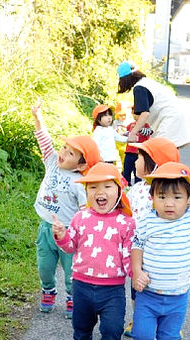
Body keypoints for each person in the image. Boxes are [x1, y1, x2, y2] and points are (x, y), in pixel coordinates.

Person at [131, 162, 190, 340]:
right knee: (142, 334)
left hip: (178, 296)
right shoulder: (147, 220)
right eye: (162, 196)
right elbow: (137, 244)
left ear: (189, 199)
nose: (169, 203)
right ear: (152, 198)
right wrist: (137, 271)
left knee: (170, 336)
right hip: (148, 294)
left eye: (177, 197)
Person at [31, 99, 101, 319]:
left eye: (71, 154)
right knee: (44, 265)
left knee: (71, 271)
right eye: (64, 148)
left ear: (81, 165)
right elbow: (44, 141)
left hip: (70, 232)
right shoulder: (52, 161)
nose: (62, 153)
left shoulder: (80, 182)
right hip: (46, 228)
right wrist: (37, 117)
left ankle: (73, 296)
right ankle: (48, 289)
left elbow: (85, 210)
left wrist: (86, 232)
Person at [52, 162, 135, 340]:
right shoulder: (80, 218)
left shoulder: (126, 223)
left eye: (107, 186)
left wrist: (137, 275)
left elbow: (129, 255)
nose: (100, 191)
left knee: (112, 330)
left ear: (119, 190)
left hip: (112, 290)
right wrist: (61, 235)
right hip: (81, 286)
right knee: (81, 330)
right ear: (86, 191)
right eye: (93, 187)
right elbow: (69, 247)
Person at [123, 137, 180, 337]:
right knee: (137, 289)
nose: (135, 161)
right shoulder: (137, 189)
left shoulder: (167, 195)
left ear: (153, 164)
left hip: (159, 254)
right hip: (140, 252)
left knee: (156, 289)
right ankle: (139, 319)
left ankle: (169, 322)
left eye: (139, 157)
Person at [117, 61, 190, 148]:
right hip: (176, 117)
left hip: (170, 119)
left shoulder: (139, 88)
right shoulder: (147, 82)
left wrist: (133, 133)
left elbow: (145, 113)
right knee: (166, 153)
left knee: (159, 152)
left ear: (124, 79)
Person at [123, 107, 153, 186]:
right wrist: (122, 132)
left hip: (139, 153)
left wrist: (138, 129)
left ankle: (138, 186)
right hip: (129, 152)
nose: (136, 116)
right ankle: (126, 186)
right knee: (126, 171)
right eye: (134, 114)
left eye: (139, 114)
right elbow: (126, 133)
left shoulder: (147, 126)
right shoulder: (131, 125)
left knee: (138, 173)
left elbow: (148, 132)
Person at [113, 101, 135, 167]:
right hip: (117, 142)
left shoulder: (130, 121)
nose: (122, 117)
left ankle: (123, 170)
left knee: (124, 158)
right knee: (115, 157)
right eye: (120, 115)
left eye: (124, 115)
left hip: (125, 143)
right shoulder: (115, 122)